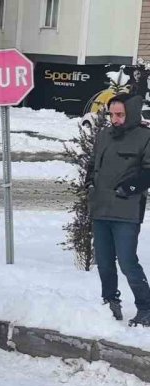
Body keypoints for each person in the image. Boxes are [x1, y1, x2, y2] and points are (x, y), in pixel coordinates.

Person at [90, 93, 150, 327]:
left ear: (131, 114)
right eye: (112, 114)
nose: (114, 119)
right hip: (101, 208)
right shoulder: (104, 135)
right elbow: (93, 163)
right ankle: (110, 303)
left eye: (120, 115)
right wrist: (89, 181)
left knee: (127, 262)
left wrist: (129, 187)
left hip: (127, 211)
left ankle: (146, 307)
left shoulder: (145, 137)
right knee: (104, 262)